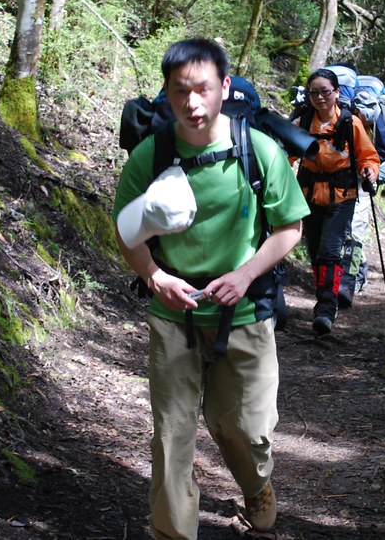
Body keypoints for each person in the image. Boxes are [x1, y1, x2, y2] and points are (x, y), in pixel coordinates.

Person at [112, 38, 309, 539]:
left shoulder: (258, 150)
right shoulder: (151, 154)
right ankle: (173, 532)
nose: (192, 103)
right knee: (173, 435)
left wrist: (245, 275)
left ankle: (257, 488)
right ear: (168, 93)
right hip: (173, 314)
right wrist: (154, 277)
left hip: (243, 312)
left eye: (202, 89)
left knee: (243, 428)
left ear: (224, 87)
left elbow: (289, 227)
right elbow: (124, 229)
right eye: (180, 92)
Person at [291, 68, 379, 336]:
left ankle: (326, 310)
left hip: (342, 197)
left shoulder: (350, 123)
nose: (319, 97)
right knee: (316, 252)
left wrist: (369, 172)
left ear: (336, 93)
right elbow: (285, 155)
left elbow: (369, 156)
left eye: (325, 92)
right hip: (309, 195)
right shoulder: (303, 122)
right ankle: (324, 297)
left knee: (329, 251)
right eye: (314, 92)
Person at [338, 88, 385, 307]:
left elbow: (384, 153)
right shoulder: (344, 116)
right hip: (340, 177)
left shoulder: (377, 122)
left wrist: (371, 170)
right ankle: (358, 268)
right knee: (343, 228)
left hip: (364, 179)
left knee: (356, 228)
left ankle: (348, 282)